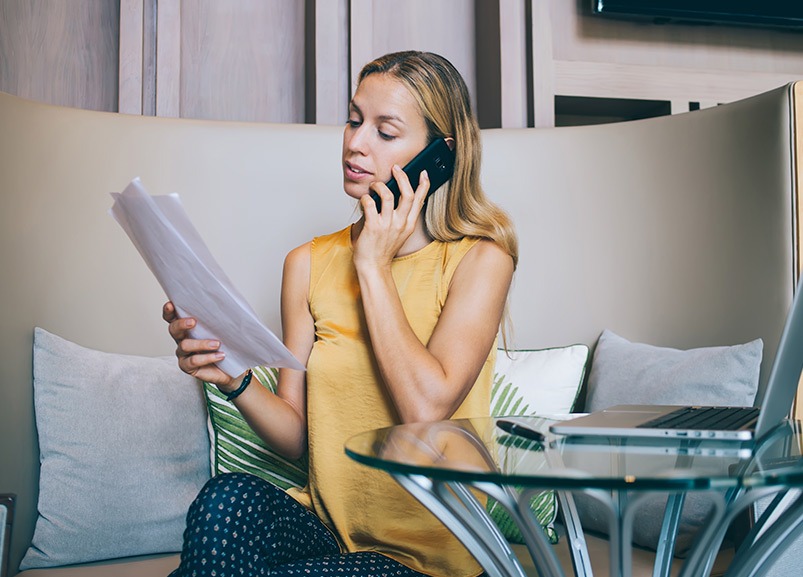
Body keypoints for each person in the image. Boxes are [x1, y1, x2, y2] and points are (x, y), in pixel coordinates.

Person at [163, 50, 518, 577]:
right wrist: (233, 378)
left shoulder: (481, 260)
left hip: (429, 561)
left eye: (386, 131)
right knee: (226, 500)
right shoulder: (306, 263)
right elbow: (298, 436)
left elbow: (426, 409)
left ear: (439, 157)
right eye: (354, 120)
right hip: (329, 536)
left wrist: (372, 263)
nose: (355, 143)